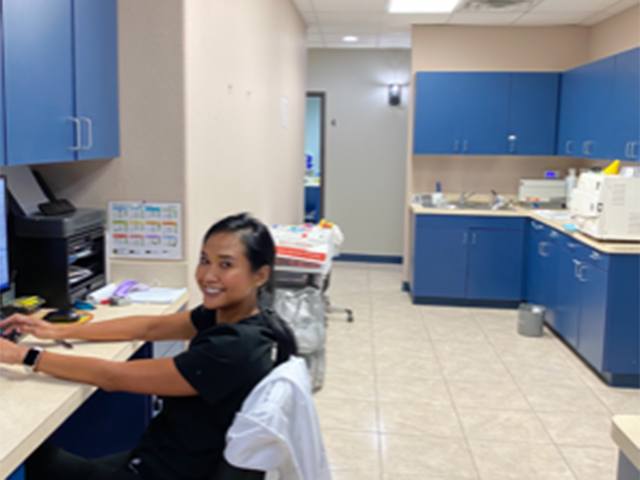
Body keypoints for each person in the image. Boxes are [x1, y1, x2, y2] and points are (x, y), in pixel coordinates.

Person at [0, 213, 297, 480]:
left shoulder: (233, 349)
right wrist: (57, 329)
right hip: (169, 459)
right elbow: (150, 327)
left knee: (31, 460)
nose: (208, 275)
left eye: (226, 265)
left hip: (166, 472)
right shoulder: (243, 318)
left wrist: (24, 355)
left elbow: (112, 377)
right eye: (205, 260)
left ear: (260, 275)